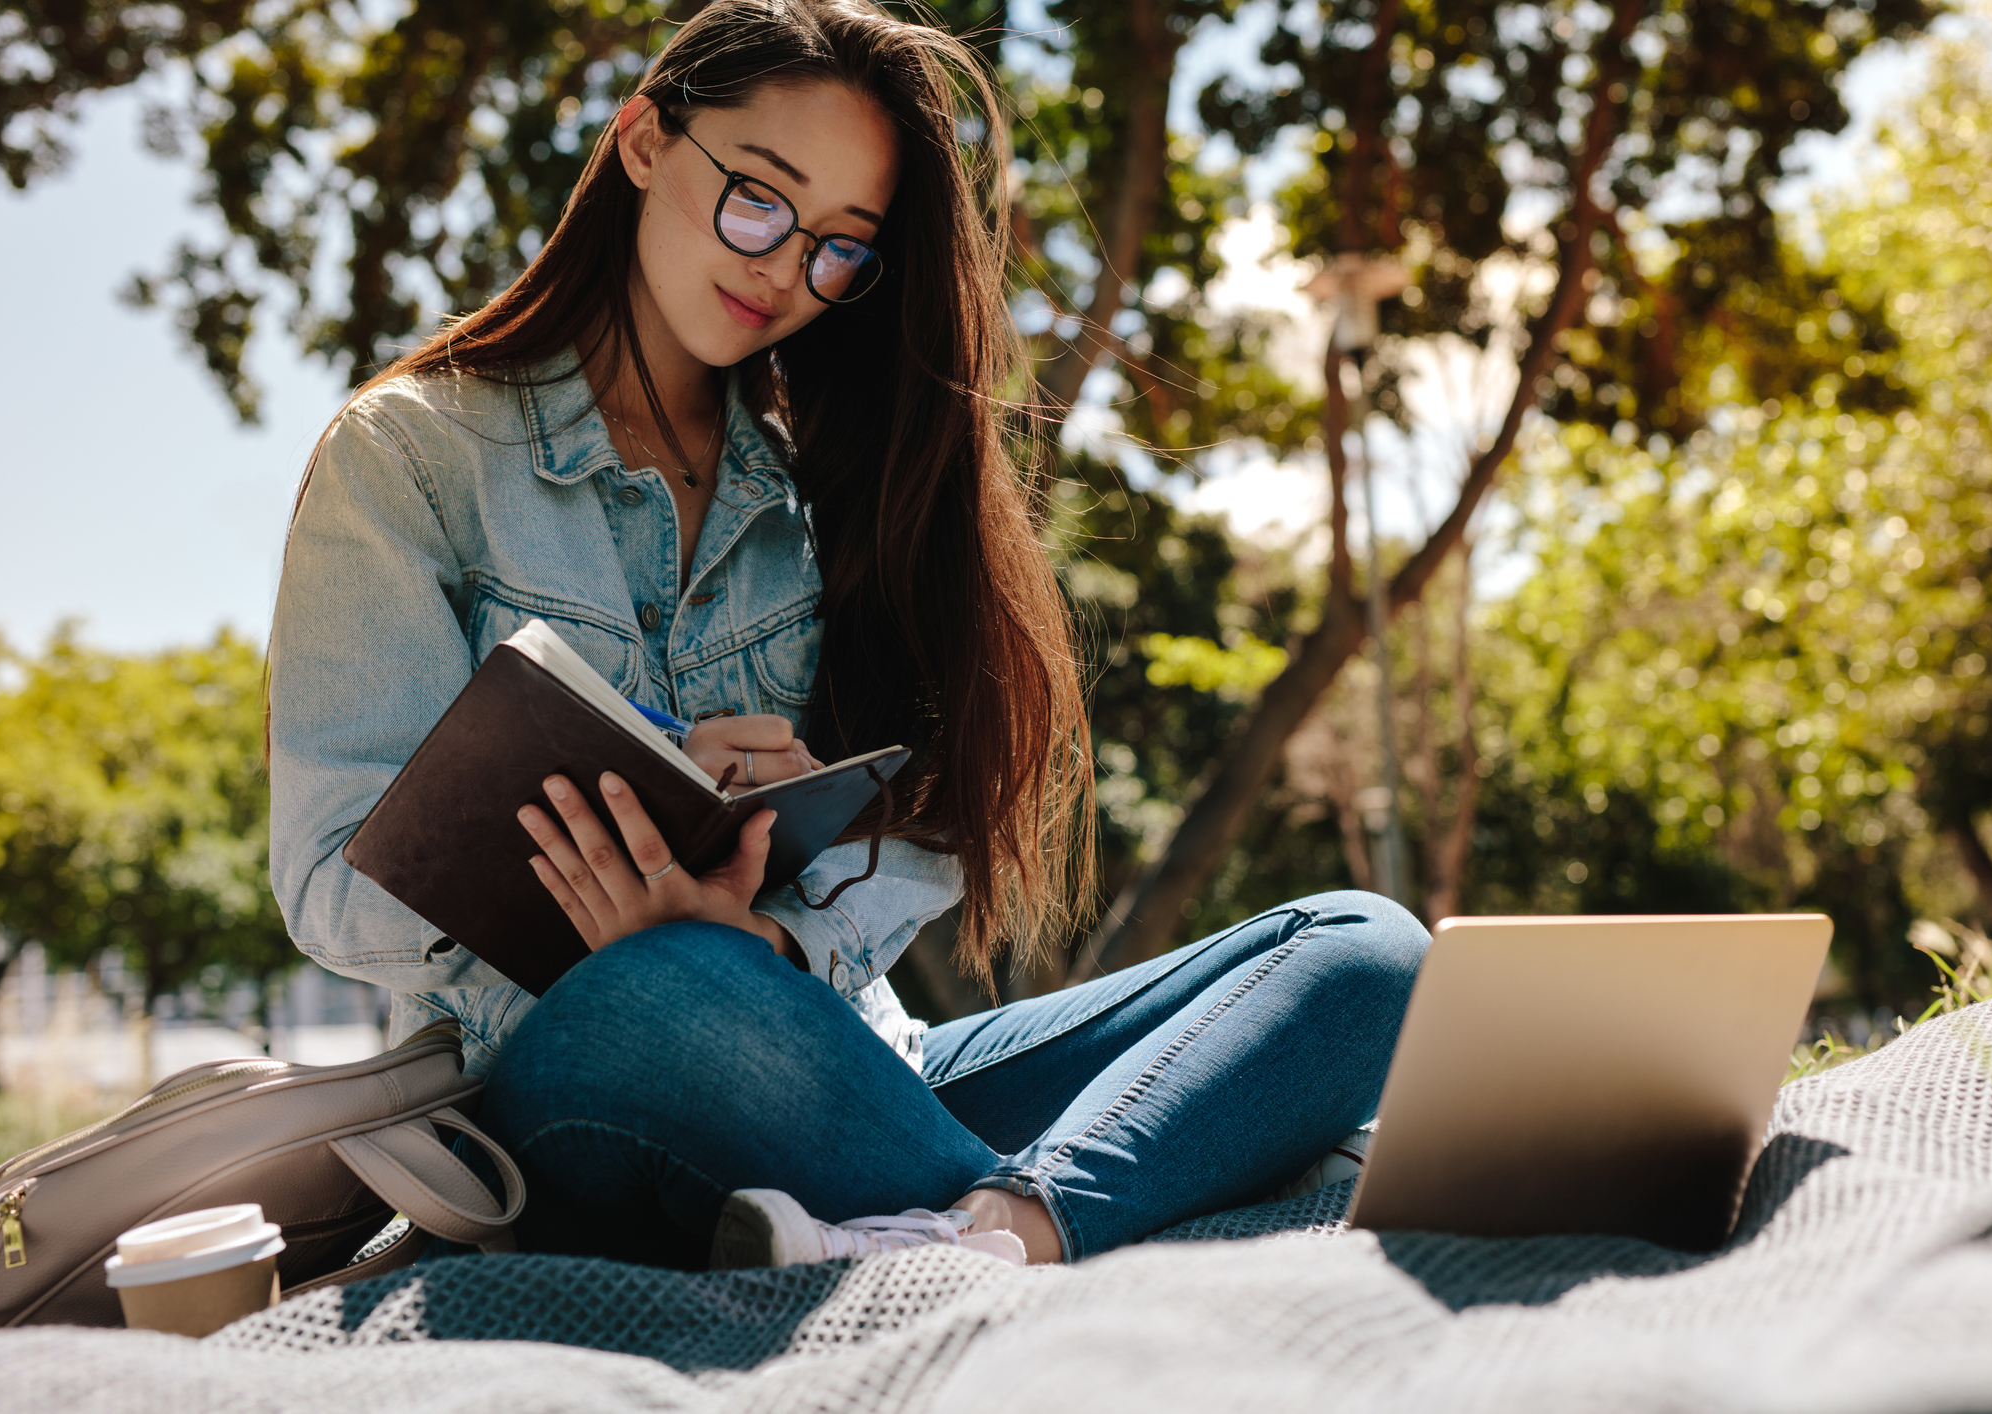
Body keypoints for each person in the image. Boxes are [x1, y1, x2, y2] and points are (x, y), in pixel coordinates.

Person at [268, 0, 1428, 1271]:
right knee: (665, 988)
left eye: (839, 249)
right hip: (581, 1064)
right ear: (646, 139)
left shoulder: (829, 487)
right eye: (759, 198)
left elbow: (913, 834)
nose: (783, 270)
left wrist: (766, 931)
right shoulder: (411, 456)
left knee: (1368, 951)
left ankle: (1006, 1228)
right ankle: (1100, 1206)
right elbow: (328, 873)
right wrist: (608, 905)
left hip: (862, 1060)